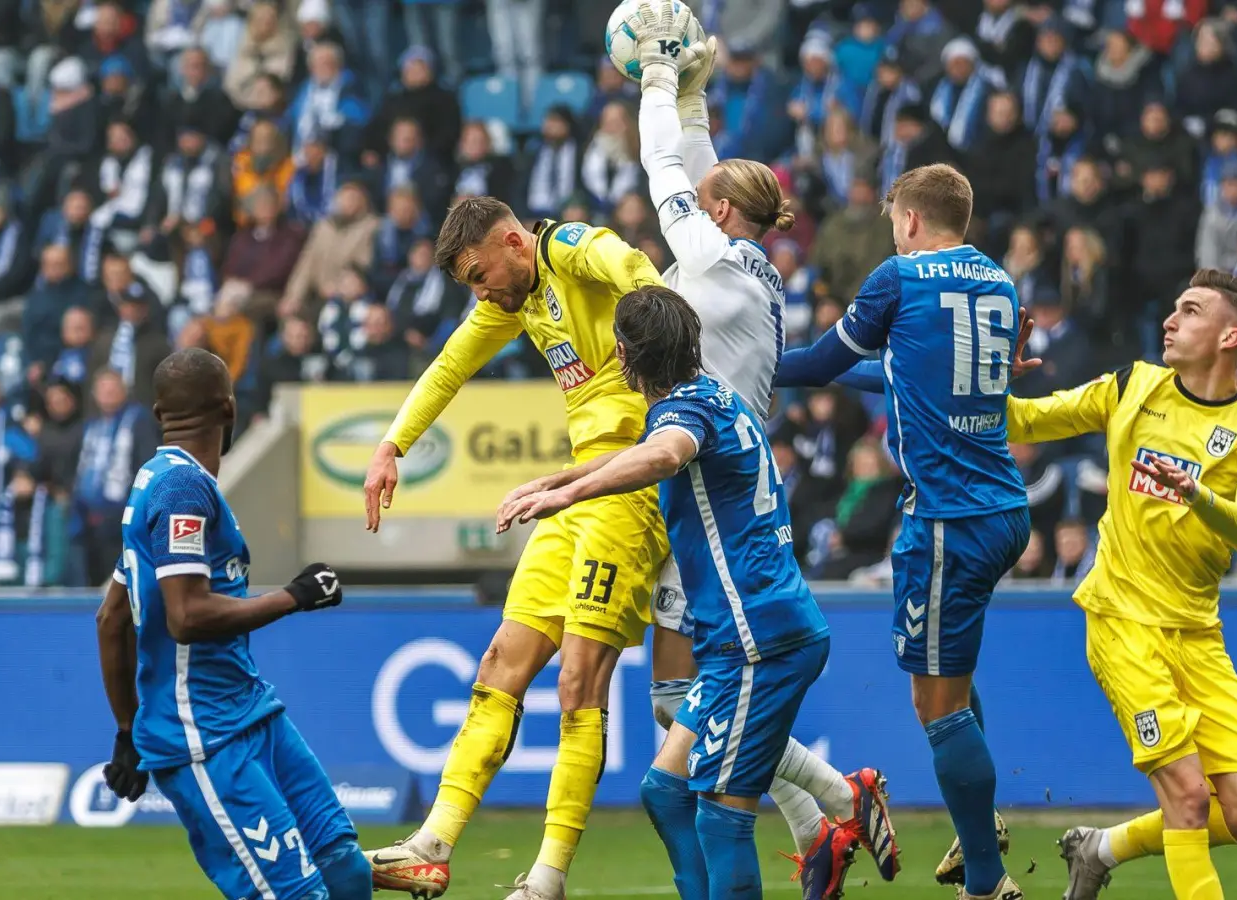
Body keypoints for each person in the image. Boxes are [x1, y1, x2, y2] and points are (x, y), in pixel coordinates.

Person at [626, 5, 898, 892]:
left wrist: (658, 83)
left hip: (708, 496)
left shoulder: (709, 263)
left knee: (684, 722)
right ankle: (824, 812)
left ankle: (832, 798)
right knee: (679, 763)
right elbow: (698, 169)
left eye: (709, 201)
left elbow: (665, 164)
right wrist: (698, 97)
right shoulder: (738, 265)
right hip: (722, 490)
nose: (691, 206)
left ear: (724, 212)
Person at [361, 197, 668, 900]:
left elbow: (632, 267)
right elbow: (447, 367)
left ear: (510, 241)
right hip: (574, 484)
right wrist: (390, 446)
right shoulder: (516, 301)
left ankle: (549, 878)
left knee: (578, 683)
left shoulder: (568, 252)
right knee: (502, 659)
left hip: (630, 482)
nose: (481, 293)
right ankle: (432, 845)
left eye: (478, 276)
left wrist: (664, 346)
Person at [496, 285, 831, 900]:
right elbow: (653, 448)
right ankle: (843, 800)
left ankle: (845, 801)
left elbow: (665, 454)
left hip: (756, 636)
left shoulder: (681, 416)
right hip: (749, 631)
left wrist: (569, 496)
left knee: (722, 815)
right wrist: (563, 475)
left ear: (623, 357)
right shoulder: (709, 394)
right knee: (666, 788)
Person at [775, 163, 1030, 900]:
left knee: (934, 705)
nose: (893, 232)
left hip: (949, 517)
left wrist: (753, 370)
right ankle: (980, 835)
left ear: (911, 220)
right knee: (953, 684)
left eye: (894, 221)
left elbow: (828, 362)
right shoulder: (997, 282)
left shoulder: (901, 276)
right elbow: (892, 374)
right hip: (1000, 507)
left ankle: (986, 881)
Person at [1005, 269, 1237, 900]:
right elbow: (1022, 423)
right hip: (1123, 621)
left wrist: (1196, 494)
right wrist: (989, 384)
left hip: (1198, 636)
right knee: (1190, 797)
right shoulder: (1133, 385)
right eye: (1173, 309)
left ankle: (1099, 848)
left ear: (1229, 336)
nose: (1170, 320)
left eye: (1190, 311)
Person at [92, 348, 367, 900]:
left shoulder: (157, 482)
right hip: (204, 738)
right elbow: (188, 616)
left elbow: (111, 618)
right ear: (229, 409)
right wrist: (294, 597)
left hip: (251, 715)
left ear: (156, 413)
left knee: (347, 873)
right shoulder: (181, 491)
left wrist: (127, 733)